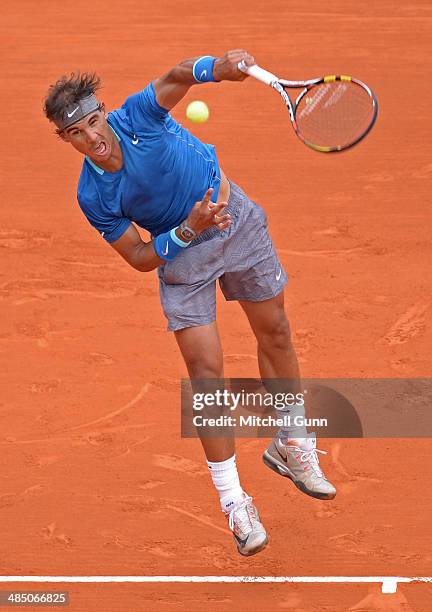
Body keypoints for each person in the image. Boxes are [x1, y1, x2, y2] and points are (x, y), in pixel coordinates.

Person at [44, 50, 336, 557]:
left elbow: (179, 76)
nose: (92, 137)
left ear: (104, 112)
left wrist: (218, 66)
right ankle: (234, 503)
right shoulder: (93, 196)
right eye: (77, 133)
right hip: (181, 259)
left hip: (234, 219)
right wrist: (185, 232)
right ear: (65, 139)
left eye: (93, 122)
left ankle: (293, 442)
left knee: (277, 333)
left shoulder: (137, 115)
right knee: (206, 372)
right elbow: (138, 255)